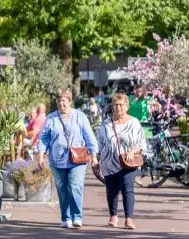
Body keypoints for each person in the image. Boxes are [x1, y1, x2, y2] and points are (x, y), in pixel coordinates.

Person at [36, 89, 99, 229]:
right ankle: (66, 217)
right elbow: (44, 139)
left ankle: (77, 216)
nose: (61, 103)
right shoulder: (51, 118)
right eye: (58, 101)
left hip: (78, 159)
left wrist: (94, 155)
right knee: (62, 189)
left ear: (70, 101)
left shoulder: (80, 116)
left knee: (75, 186)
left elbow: (89, 136)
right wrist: (41, 156)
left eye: (63, 100)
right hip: (57, 159)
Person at [96, 93, 145, 230]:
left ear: (126, 106)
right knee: (111, 190)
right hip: (109, 162)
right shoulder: (106, 124)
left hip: (128, 163)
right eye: (115, 105)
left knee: (127, 189)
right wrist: (95, 159)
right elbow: (99, 143)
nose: (118, 107)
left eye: (121, 105)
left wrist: (132, 151)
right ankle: (113, 216)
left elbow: (142, 144)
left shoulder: (134, 123)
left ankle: (128, 219)